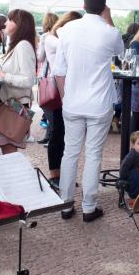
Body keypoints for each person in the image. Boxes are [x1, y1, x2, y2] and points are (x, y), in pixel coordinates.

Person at [53, 0, 124, 222]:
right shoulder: (110, 31)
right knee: (93, 155)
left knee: (70, 153)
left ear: (83, 6)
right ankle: (89, 207)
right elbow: (121, 54)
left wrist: (65, 97)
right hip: (99, 103)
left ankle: (65, 205)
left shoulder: (67, 30)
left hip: (72, 101)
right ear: (104, 7)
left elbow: (59, 70)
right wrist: (109, 19)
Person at [0, 9, 36, 157]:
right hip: (9, 105)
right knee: (10, 154)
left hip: (11, 107)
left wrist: (3, 75)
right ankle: (12, 180)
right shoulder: (17, 45)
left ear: (19, 24)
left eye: (10, 19)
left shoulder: (23, 45)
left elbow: (28, 80)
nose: (6, 22)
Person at [41, 11, 82, 186]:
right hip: (56, 91)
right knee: (57, 134)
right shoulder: (51, 38)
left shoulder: (58, 37)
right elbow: (69, 48)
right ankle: (54, 175)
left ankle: (63, 174)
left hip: (67, 90)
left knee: (65, 135)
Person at [36, 12, 59, 141]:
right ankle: (49, 135)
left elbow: (40, 57)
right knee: (54, 106)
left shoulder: (45, 36)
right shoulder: (58, 36)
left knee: (47, 105)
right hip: (57, 76)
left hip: (46, 75)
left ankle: (50, 135)